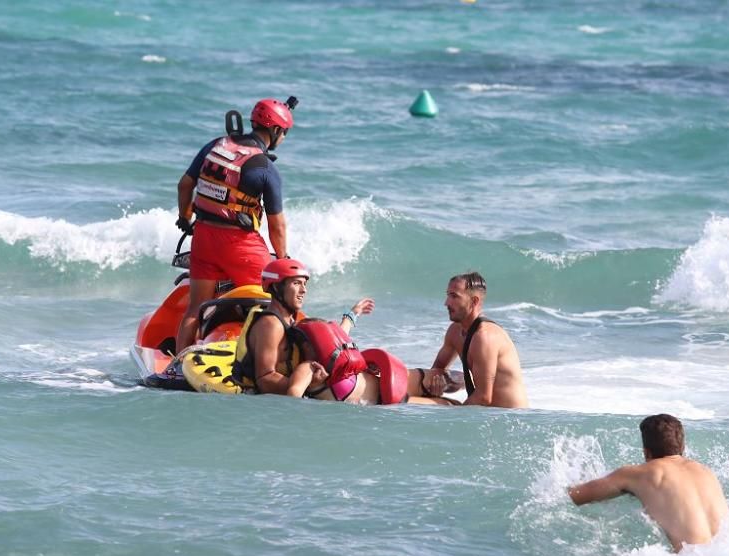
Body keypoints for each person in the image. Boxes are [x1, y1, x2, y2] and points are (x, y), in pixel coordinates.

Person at [232, 258, 449, 405]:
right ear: (276, 287)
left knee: (435, 379)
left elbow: (331, 345)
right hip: (353, 391)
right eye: (296, 284)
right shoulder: (271, 324)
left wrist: (352, 315)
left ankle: (451, 384)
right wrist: (302, 385)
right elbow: (264, 378)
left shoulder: (291, 320)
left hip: (359, 382)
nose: (303, 290)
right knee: (442, 400)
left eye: (305, 284)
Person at [174, 98, 295, 353]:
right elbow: (277, 226)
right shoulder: (265, 167)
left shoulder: (216, 146)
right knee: (276, 301)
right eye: (284, 133)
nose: (283, 138)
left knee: (196, 308)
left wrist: (186, 218)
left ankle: (178, 364)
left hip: (203, 237)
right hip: (240, 245)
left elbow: (185, 185)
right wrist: (281, 261)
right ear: (275, 130)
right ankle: (271, 361)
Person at [567, 414, 729, 552]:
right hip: (728, 555)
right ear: (682, 447)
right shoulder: (706, 472)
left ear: (646, 452)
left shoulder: (639, 474)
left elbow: (575, 496)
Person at [421, 272, 529, 408]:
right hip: (488, 415)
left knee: (446, 407)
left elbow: (484, 397)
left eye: (454, 296)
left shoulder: (485, 337)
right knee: (439, 404)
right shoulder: (454, 332)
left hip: (511, 420)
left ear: (474, 301)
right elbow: (436, 369)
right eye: (448, 295)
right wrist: (437, 385)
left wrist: (454, 419)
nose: (446, 303)